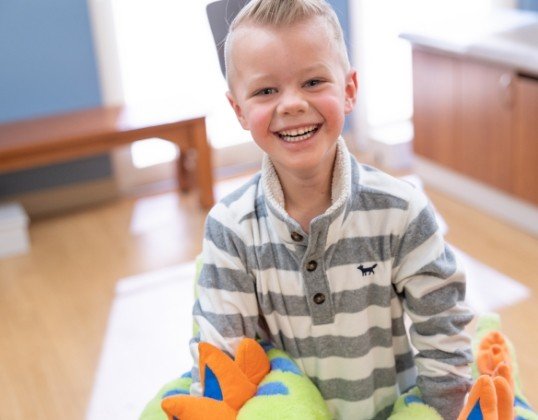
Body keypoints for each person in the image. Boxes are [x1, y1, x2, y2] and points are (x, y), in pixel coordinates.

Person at [189, 0, 473, 418]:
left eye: (313, 81)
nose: (292, 104)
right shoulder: (230, 228)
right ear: (239, 110)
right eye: (266, 91)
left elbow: (444, 332)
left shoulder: (403, 211)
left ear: (349, 90)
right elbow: (221, 362)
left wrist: (437, 410)